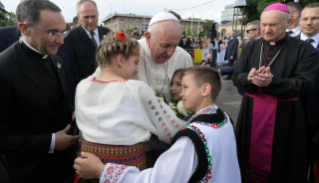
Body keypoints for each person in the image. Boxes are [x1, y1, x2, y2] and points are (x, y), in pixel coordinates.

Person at [74, 66, 241, 183]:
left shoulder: (193, 138)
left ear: (205, 89)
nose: (181, 93)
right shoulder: (223, 118)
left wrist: (101, 171)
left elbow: (158, 180)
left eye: (185, 87)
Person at [74, 32, 186, 183]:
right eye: (135, 62)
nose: (136, 69)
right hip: (124, 172)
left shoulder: (83, 86)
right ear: (120, 60)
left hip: (87, 170)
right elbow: (170, 128)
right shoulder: (136, 89)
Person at [93, 12, 193, 167]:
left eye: (175, 45)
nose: (171, 53)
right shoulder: (125, 52)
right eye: (165, 45)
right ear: (148, 37)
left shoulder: (184, 57)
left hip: (171, 140)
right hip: (130, 143)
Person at [233, 3, 318, 182]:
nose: (267, 29)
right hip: (251, 113)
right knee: (246, 158)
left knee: (282, 165)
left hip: (285, 117)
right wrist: (247, 79)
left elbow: (305, 85)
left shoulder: (305, 50)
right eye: (264, 24)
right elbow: (236, 76)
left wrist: (273, 82)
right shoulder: (249, 47)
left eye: (274, 25)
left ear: (288, 23)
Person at [0, 0, 80, 183]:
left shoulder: (56, 60)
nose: (60, 40)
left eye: (63, 32)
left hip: (62, 169)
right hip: (26, 174)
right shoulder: (4, 69)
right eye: (53, 32)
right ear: (24, 28)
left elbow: (55, 103)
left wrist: (73, 112)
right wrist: (50, 142)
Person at [57, 0, 110, 105]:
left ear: (98, 14)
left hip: (110, 91)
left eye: (93, 16)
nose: (90, 21)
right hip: (86, 95)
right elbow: (68, 71)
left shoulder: (108, 34)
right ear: (79, 16)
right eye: (86, 17)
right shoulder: (69, 37)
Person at [294, 3, 319, 181]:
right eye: (305, 18)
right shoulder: (286, 44)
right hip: (290, 116)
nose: (308, 22)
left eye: (314, 18)